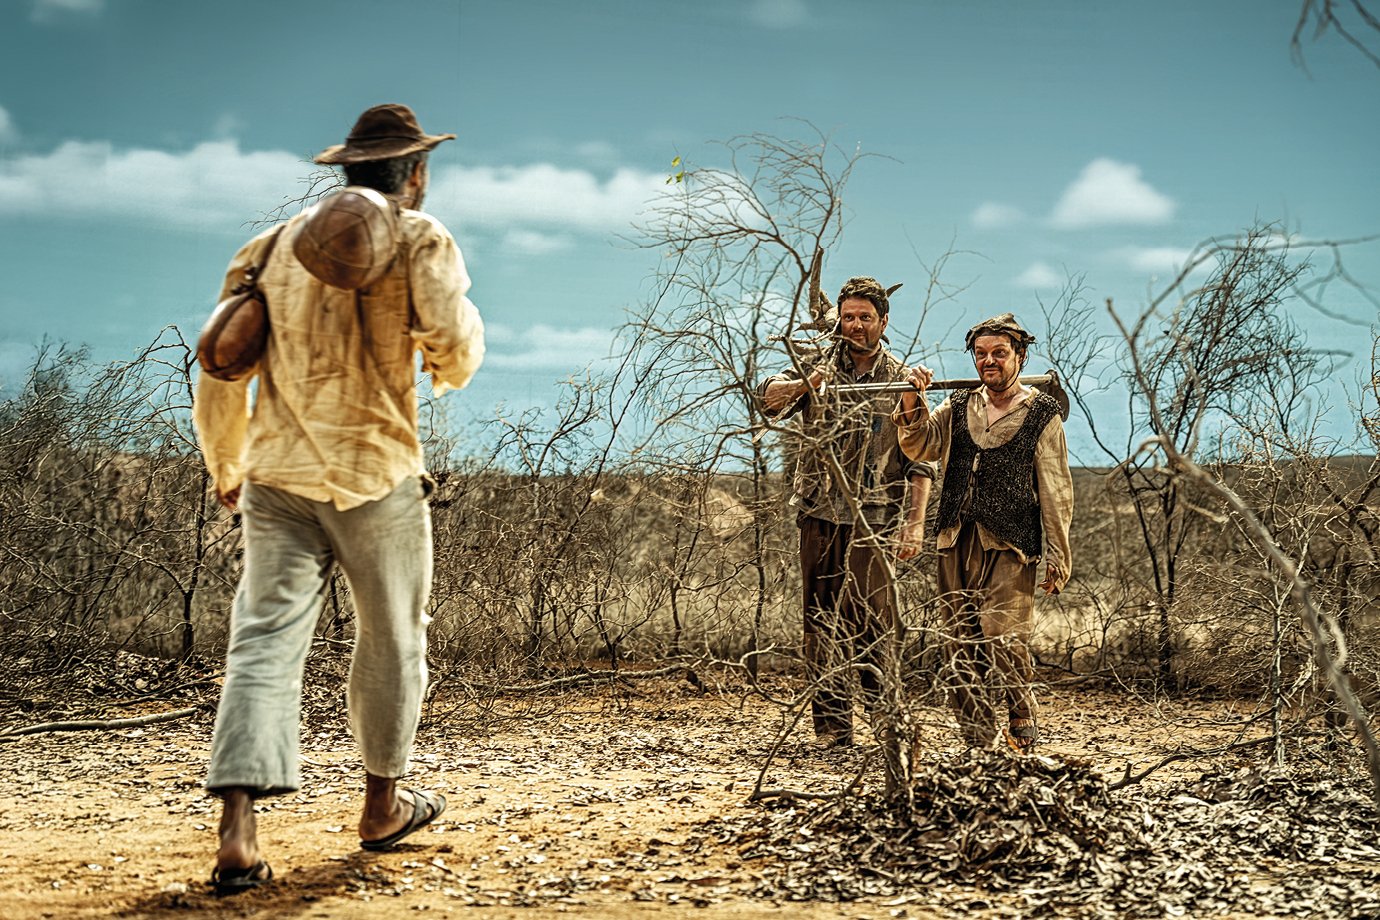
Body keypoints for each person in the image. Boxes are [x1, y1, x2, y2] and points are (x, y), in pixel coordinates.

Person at [193, 103, 485, 894]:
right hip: (376, 474)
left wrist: (227, 463)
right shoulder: (422, 237)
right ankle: (382, 807)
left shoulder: (269, 248)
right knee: (392, 639)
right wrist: (439, 351)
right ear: (415, 175)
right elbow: (454, 352)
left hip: (275, 476)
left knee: (261, 641)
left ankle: (237, 834)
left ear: (347, 170)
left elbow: (220, 363)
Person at [759, 276, 936, 749]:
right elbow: (768, 400)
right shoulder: (818, 365)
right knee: (821, 622)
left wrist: (914, 524)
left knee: (874, 623)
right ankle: (833, 731)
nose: (856, 326)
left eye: (865, 317)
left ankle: (887, 724)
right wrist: (807, 382)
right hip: (818, 513)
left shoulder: (903, 377)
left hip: (876, 520)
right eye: (849, 317)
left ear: (883, 320)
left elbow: (921, 458)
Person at [893, 313, 1072, 751]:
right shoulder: (956, 407)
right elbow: (918, 444)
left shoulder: (1043, 414)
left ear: (1020, 356)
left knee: (1004, 635)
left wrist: (1059, 554)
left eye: (999, 353)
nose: (988, 361)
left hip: (1011, 543)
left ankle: (1019, 705)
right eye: (981, 354)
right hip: (955, 537)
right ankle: (978, 740)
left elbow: (1056, 489)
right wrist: (910, 397)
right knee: (959, 643)